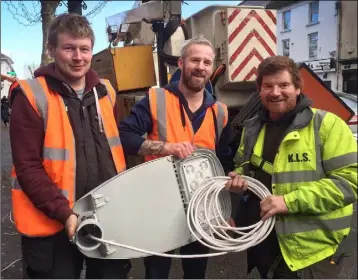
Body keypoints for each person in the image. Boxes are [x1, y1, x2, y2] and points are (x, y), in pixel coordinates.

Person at [9, 13, 131, 279]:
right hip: (52, 223)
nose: (78, 57)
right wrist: (65, 214)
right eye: (69, 48)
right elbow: (27, 167)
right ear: (52, 50)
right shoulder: (31, 95)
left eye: (84, 49)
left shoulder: (106, 92)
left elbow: (113, 150)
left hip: (104, 217)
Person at [119, 35, 242, 279]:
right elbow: (123, 136)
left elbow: (223, 163)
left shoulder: (220, 112)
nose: (201, 67)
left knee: (196, 271)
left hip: (201, 206)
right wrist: (164, 147)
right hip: (158, 204)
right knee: (157, 271)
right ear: (181, 63)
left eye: (207, 62)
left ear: (212, 68)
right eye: (195, 60)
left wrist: (222, 210)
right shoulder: (156, 99)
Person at [229, 55, 357, 278]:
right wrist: (239, 180)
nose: (275, 92)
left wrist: (289, 201)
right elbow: (246, 167)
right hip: (266, 245)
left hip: (310, 253)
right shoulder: (252, 129)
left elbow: (349, 182)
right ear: (260, 91)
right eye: (268, 86)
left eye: (283, 85)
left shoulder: (327, 126)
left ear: (298, 88)